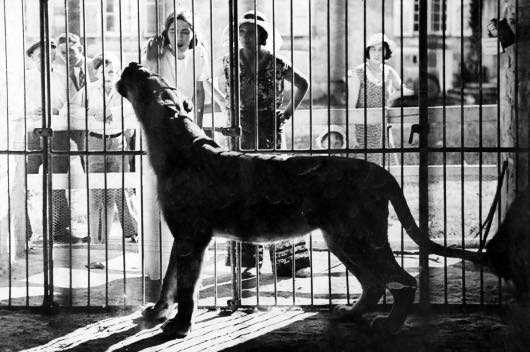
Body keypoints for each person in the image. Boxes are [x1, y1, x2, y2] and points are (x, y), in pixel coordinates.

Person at [219, 11, 311, 278]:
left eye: (252, 31)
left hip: (270, 130)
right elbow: (208, 84)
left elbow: (302, 83)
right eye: (242, 31)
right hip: (241, 131)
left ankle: (288, 262)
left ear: (263, 35)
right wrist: (227, 110)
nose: (246, 36)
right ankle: (246, 261)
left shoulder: (276, 61)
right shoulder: (229, 62)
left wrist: (289, 111)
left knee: (277, 190)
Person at [60, 53, 138, 244]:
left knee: (113, 193)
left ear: (118, 72)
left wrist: (111, 112)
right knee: (96, 194)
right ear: (96, 73)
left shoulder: (126, 90)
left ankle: (108, 238)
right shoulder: (88, 91)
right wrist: (91, 112)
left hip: (118, 143)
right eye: (103, 72)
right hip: (94, 144)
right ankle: (96, 241)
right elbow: (66, 110)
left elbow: (135, 109)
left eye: (112, 72)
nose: (108, 76)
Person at [24, 39, 84, 244]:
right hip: (31, 134)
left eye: (50, 55)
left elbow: (73, 104)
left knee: (58, 180)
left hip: (58, 134)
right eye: (40, 56)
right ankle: (25, 231)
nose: (46, 59)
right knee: (24, 181)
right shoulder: (24, 79)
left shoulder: (62, 78)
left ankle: (59, 230)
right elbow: (13, 105)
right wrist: (31, 112)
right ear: (32, 58)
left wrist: (57, 111)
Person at [143, 9, 225, 127]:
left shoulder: (199, 53)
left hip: (187, 117)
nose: (179, 37)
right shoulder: (158, 53)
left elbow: (199, 91)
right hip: (161, 120)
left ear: (193, 34)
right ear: (166, 33)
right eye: (173, 31)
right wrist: (151, 60)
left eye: (185, 32)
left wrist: (198, 126)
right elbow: (150, 89)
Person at [348, 33, 412, 165]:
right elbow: (351, 108)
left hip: (382, 129)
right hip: (362, 129)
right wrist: (351, 135)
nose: (377, 53)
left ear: (386, 52)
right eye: (373, 49)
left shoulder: (389, 72)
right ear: (368, 51)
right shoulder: (358, 72)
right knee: (364, 170)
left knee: (386, 170)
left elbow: (404, 90)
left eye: (380, 50)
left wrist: (391, 97)